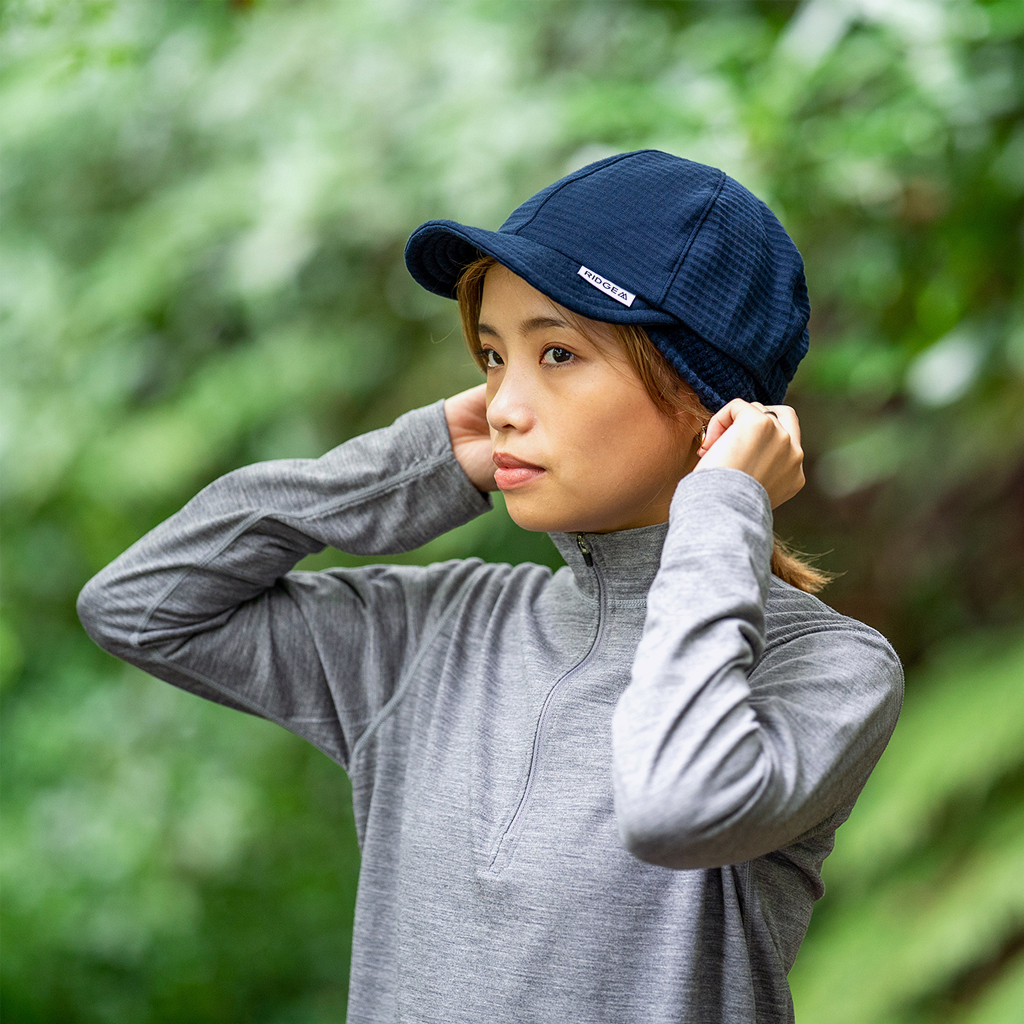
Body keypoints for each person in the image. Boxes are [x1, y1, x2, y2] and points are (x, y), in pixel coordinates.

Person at [77, 150, 904, 1023]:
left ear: (712, 407)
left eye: (556, 352)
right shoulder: (437, 631)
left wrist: (722, 509)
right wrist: (416, 462)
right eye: (490, 356)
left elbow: (675, 805)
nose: (504, 401)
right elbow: (141, 606)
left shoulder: (826, 667)